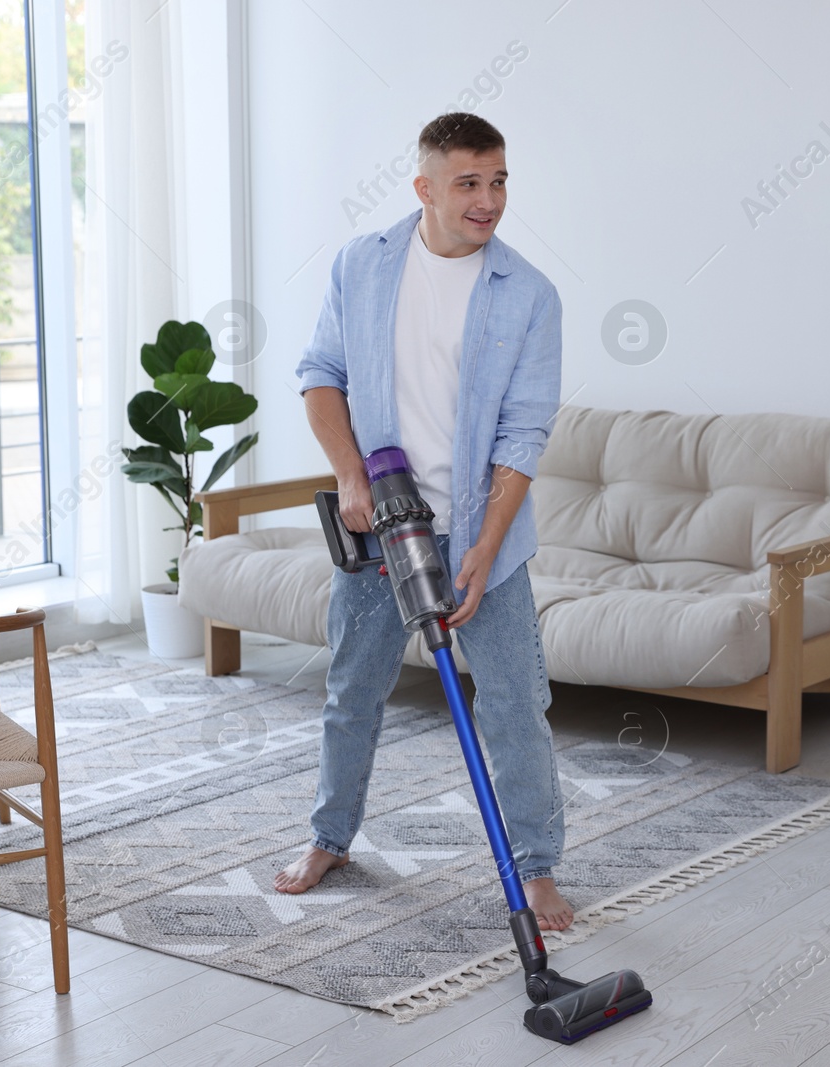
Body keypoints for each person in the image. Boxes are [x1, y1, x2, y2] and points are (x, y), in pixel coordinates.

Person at [275, 112, 573, 930]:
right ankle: (331, 836)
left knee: (514, 702)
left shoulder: (530, 296)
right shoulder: (363, 266)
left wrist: (482, 544)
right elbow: (320, 374)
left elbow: (522, 435)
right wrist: (348, 474)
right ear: (425, 188)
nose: (489, 200)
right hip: (381, 528)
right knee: (352, 692)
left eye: (500, 180)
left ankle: (537, 867)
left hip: (484, 535)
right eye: (470, 182)